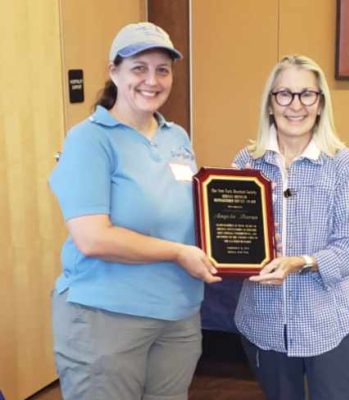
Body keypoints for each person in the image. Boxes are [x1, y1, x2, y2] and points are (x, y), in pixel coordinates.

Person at [49, 22, 221, 400]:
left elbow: (188, 214)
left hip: (178, 315)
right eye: (138, 68)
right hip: (106, 318)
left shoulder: (176, 137)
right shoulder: (89, 140)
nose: (152, 80)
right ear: (114, 71)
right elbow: (93, 238)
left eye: (163, 69)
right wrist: (177, 252)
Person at [232, 55, 349, 400]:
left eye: (307, 94)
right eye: (284, 94)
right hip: (264, 321)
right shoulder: (245, 162)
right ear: (270, 104)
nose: (296, 105)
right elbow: (232, 233)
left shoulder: (343, 163)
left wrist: (302, 262)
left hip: (330, 322)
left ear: (321, 103)